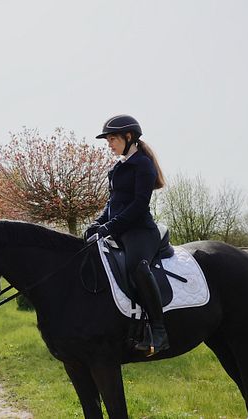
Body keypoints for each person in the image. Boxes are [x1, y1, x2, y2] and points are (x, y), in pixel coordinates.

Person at [84, 114, 169, 356]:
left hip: (141, 231)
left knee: (137, 267)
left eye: (112, 139)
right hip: (121, 230)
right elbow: (113, 203)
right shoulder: (118, 167)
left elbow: (139, 205)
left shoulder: (143, 164)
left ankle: (159, 331)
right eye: (108, 140)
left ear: (128, 137)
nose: (109, 144)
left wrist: (109, 227)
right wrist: (97, 223)